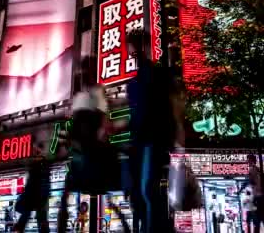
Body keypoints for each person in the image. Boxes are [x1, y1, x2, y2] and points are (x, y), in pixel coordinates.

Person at [57, 57, 129, 233]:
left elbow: (96, 126)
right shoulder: (92, 94)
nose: (83, 74)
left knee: (68, 192)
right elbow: (104, 126)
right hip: (93, 157)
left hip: (87, 157)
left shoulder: (88, 95)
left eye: (84, 70)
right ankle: (126, 221)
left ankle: (61, 224)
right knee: (110, 188)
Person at [127, 30, 181, 233]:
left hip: (151, 139)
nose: (131, 53)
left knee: (148, 189)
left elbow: (173, 103)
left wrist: (178, 131)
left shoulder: (152, 74)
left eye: (132, 48)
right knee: (145, 191)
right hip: (144, 140)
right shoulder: (140, 78)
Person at [14, 143, 51, 233]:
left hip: (35, 193)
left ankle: (19, 228)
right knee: (39, 214)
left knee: (31, 213)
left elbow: (33, 182)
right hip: (37, 194)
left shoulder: (38, 166)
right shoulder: (41, 166)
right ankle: (20, 228)